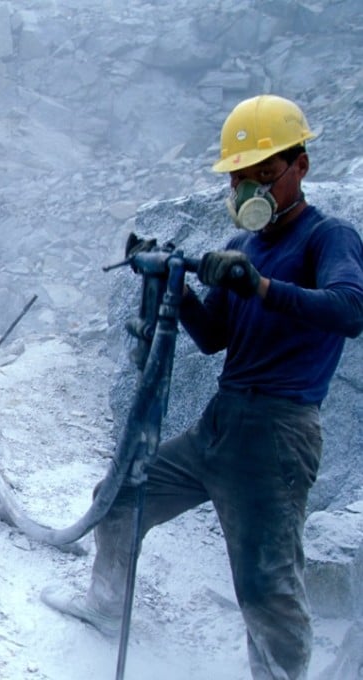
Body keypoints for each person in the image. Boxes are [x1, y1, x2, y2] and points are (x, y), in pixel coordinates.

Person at [41, 94, 363, 679]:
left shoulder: (327, 238)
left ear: (301, 168)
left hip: (279, 432)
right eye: (241, 178)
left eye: (265, 174)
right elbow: (215, 336)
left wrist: (260, 286)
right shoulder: (243, 246)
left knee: (267, 582)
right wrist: (175, 285)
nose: (250, 190)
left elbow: (350, 309)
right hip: (224, 420)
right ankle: (106, 607)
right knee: (118, 499)